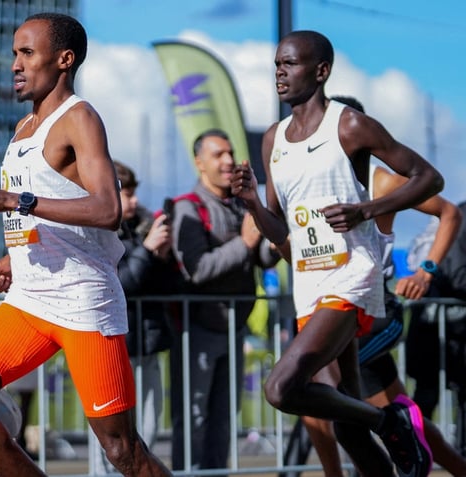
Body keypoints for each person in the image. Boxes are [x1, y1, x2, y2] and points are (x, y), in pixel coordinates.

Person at [0, 13, 173, 477]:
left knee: (122, 450)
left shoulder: (79, 118)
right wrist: (15, 253)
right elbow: (52, 205)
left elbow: (108, 210)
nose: (15, 64)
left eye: (26, 53)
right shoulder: (24, 128)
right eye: (13, 54)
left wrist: (12, 199)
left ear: (64, 60)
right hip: (29, 301)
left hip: (84, 302)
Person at [231, 30, 445, 477]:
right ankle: (385, 430)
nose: (279, 74)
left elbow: (428, 178)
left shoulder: (348, 125)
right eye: (276, 65)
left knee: (281, 388)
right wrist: (252, 201)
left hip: (352, 276)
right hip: (310, 281)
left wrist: (367, 209)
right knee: (346, 423)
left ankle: (391, 419)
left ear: (321, 70)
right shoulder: (273, 140)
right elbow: (280, 231)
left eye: (289, 64)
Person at [296, 96, 466, 476]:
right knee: (397, 412)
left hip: (375, 312)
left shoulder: (381, 181)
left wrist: (425, 271)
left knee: (308, 385)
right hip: (334, 310)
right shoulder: (313, 184)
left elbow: (449, 213)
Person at [167, 129, 282, 473]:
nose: (229, 160)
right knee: (193, 416)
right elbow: (197, 268)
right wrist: (245, 244)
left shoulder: (239, 205)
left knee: (224, 416)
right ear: (199, 162)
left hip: (234, 329)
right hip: (196, 331)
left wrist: (273, 238)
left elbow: (262, 257)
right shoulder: (187, 208)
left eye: (230, 153)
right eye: (218, 154)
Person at [89, 160, 176, 473]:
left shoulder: (142, 227)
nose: (135, 200)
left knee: (147, 430)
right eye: (127, 194)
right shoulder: (98, 230)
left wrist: (163, 256)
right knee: (111, 439)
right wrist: (148, 250)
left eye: (134, 193)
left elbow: (166, 287)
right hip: (112, 346)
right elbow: (121, 283)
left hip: (147, 343)